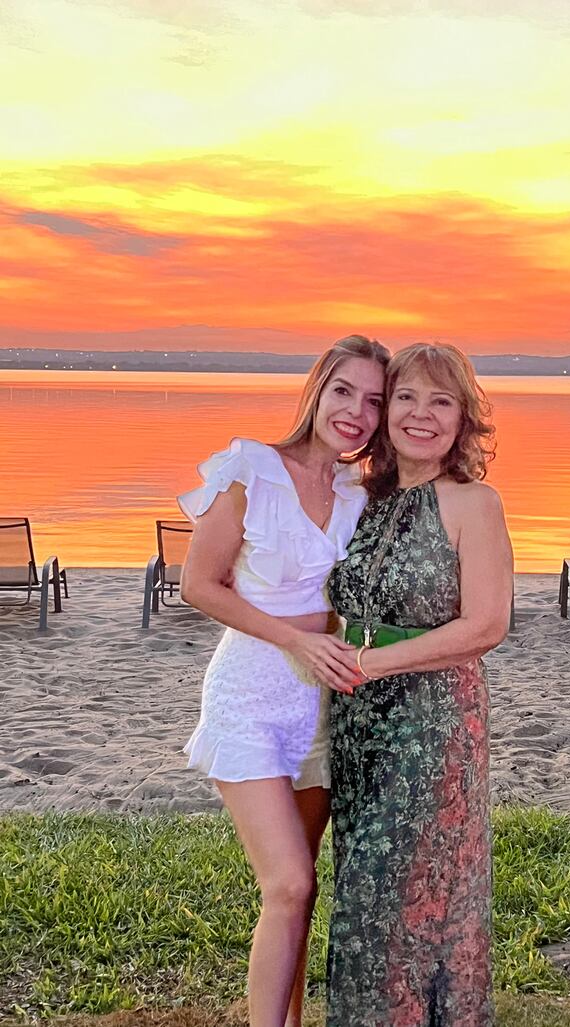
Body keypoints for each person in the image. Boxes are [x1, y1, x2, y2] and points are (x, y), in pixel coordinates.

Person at [177, 334, 389, 1027]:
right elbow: (199, 584)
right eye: (343, 391)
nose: (355, 412)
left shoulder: (358, 491)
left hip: (322, 707)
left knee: (304, 887)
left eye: (374, 401)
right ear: (317, 390)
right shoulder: (251, 469)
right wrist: (295, 638)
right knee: (288, 883)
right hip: (250, 697)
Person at [325, 343, 513, 1027]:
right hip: (354, 725)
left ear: (463, 419)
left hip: (433, 727)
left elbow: (486, 624)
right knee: (359, 893)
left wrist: (374, 663)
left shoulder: (473, 503)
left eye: (441, 401)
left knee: (405, 901)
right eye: (406, 397)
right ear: (385, 411)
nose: (421, 414)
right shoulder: (358, 500)